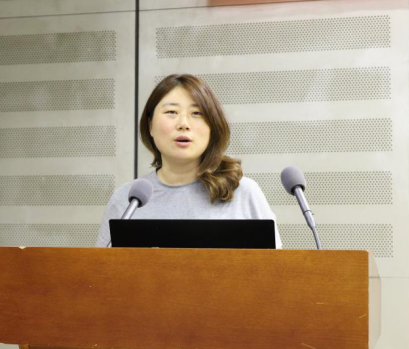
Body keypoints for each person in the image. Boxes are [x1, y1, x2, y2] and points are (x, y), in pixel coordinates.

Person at [95, 74, 282, 249]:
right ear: (150, 125)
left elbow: (276, 267)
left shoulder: (243, 193)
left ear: (212, 126)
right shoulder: (127, 200)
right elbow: (100, 269)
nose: (183, 124)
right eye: (171, 112)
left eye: (197, 113)